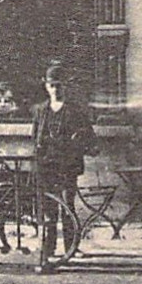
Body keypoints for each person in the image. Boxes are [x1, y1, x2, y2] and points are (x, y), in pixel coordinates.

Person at [32, 63, 96, 259]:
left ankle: (71, 248)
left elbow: (89, 138)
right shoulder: (40, 111)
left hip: (67, 166)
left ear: (65, 86)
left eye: (59, 85)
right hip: (47, 166)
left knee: (68, 207)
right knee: (49, 208)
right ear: (46, 87)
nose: (55, 89)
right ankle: (48, 249)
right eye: (52, 85)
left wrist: (78, 142)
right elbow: (35, 137)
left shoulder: (75, 112)